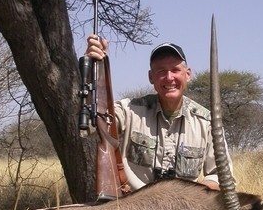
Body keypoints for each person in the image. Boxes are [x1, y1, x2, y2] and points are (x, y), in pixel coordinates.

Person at [85, 34, 231, 192]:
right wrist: (92, 70)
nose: (169, 78)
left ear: (188, 74)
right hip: (133, 209)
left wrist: (191, 194)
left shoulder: (207, 122)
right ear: (151, 77)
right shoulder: (128, 111)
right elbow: (90, 127)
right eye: (161, 71)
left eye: (175, 70)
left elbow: (221, 178)